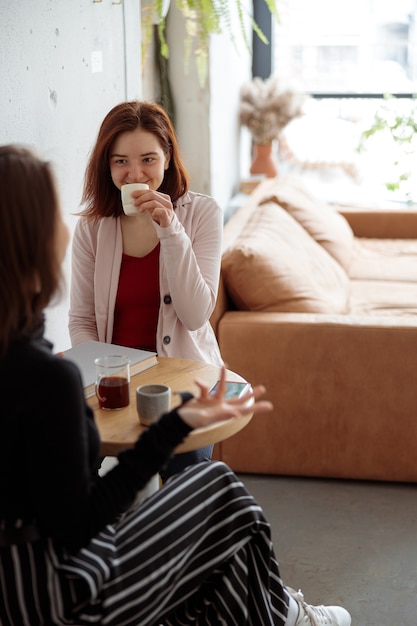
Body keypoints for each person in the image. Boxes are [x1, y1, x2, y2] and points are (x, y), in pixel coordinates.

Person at [0, 144, 351, 626]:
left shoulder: (26, 360)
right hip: (65, 599)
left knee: (216, 548)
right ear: (30, 242)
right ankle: (289, 616)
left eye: (147, 158)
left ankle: (280, 614)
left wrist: (175, 421)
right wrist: (167, 432)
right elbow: (81, 521)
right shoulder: (47, 379)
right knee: (220, 492)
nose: (65, 227)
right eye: (51, 215)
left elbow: (194, 313)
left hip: (16, 582)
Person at [68, 100, 223, 479]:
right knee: (67, 463)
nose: (134, 173)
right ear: (107, 165)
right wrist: (104, 377)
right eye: (120, 161)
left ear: (168, 158)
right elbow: (81, 320)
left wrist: (170, 228)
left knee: (183, 474)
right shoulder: (92, 227)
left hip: (185, 375)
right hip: (112, 380)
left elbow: (195, 314)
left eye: (148, 160)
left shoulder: (201, 214)